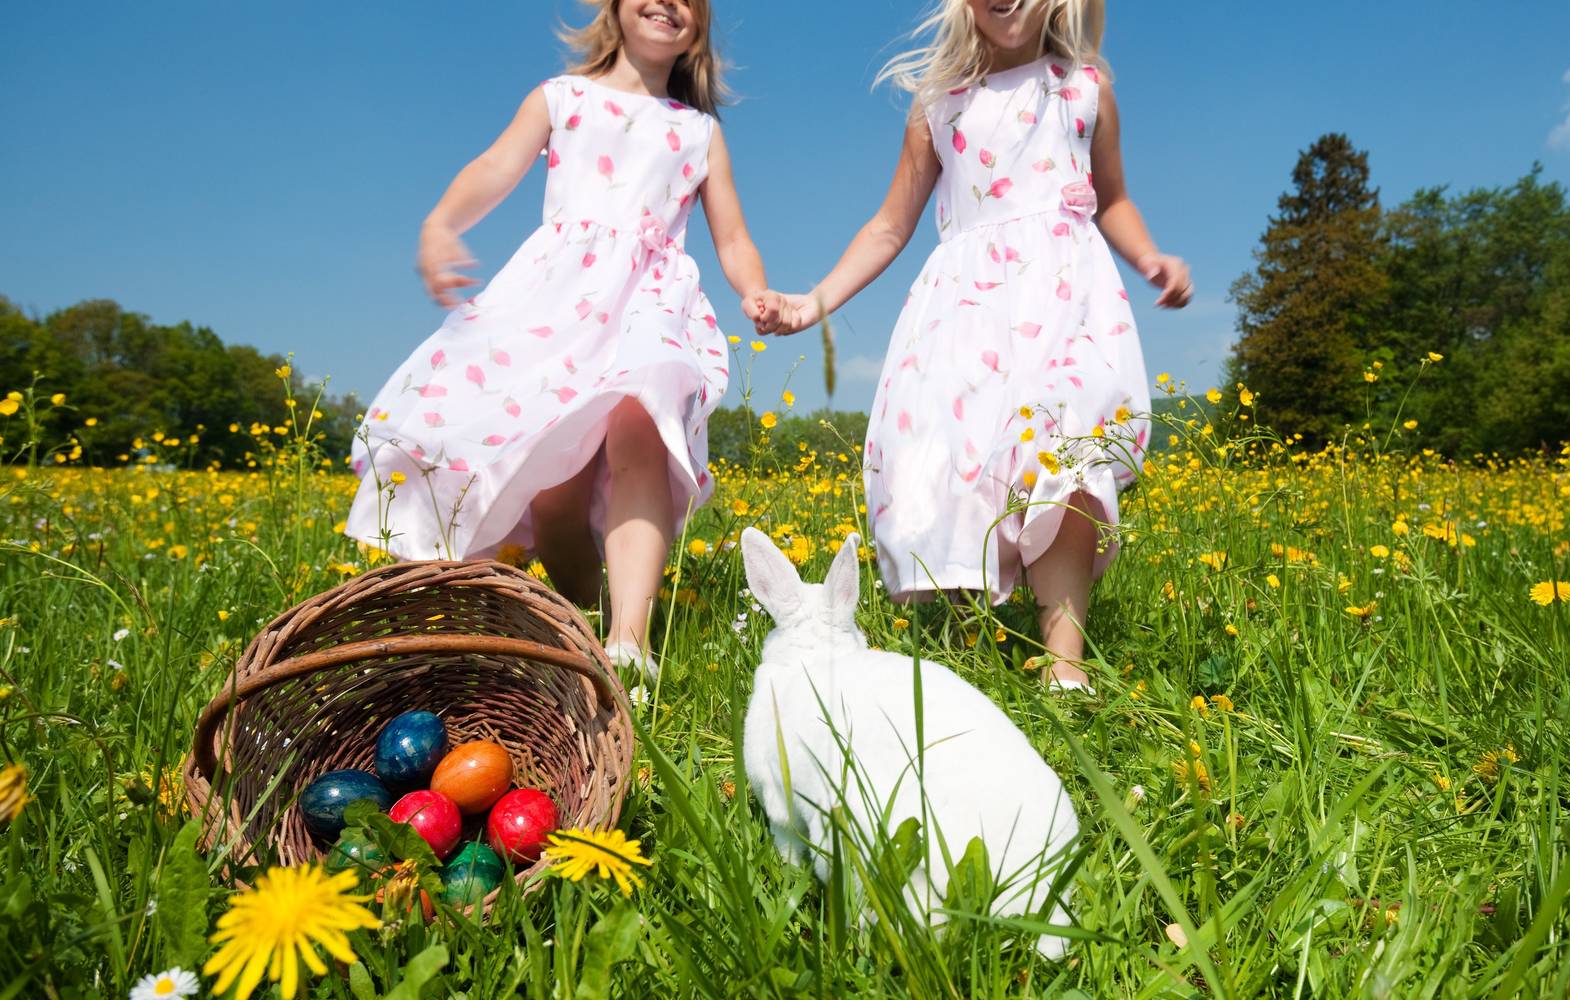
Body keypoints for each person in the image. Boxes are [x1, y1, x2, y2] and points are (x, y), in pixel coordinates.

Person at [347, 0, 779, 675]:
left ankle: (630, 645)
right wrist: (441, 224)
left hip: (651, 302)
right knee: (556, 501)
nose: (668, 4)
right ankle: (581, 625)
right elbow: (495, 167)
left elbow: (732, 235)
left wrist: (753, 288)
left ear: (699, 27)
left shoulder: (698, 133)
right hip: (558, 302)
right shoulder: (563, 99)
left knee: (644, 426)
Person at [775, 0, 1192, 690]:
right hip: (966, 316)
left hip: (1068, 302)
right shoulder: (940, 106)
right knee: (958, 479)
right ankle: (970, 655)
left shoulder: (1082, 89)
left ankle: (1064, 671)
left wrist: (1149, 257)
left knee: (1071, 457)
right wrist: (812, 301)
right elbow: (888, 226)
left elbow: (1112, 197)